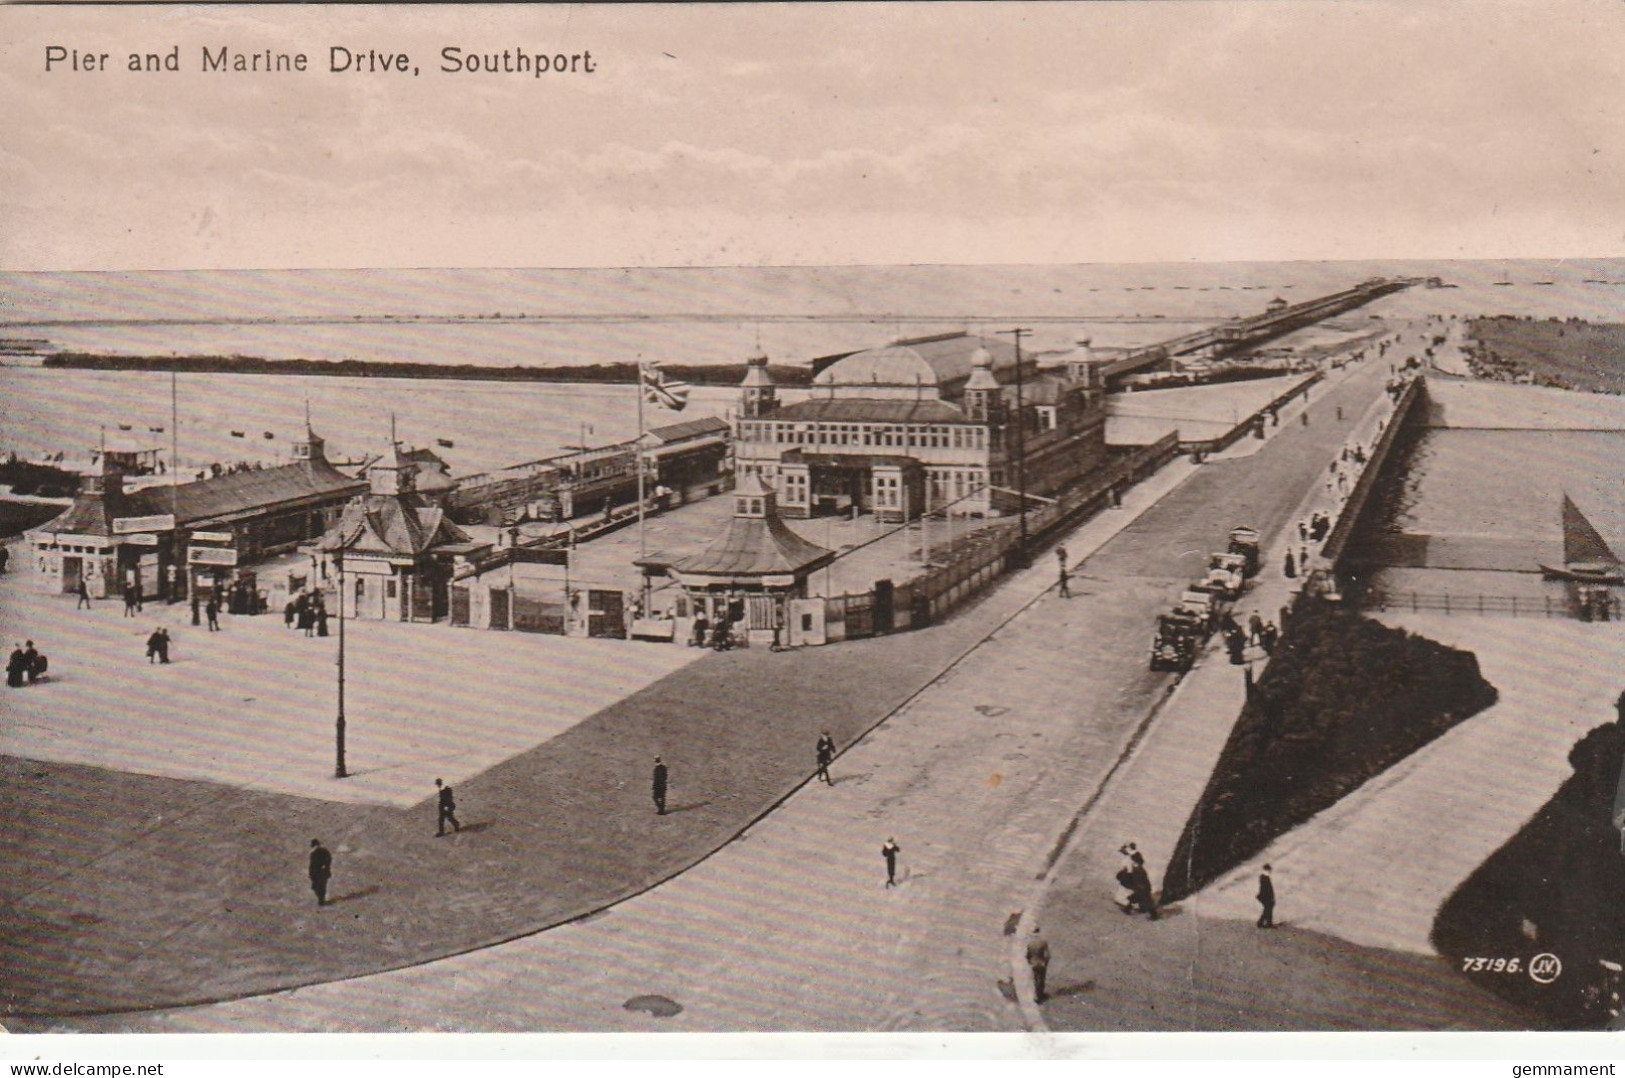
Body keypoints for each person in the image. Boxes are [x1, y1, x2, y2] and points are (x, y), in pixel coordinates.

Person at [1026, 925, 1051, 1004]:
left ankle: (1037, 995)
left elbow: (1027, 955)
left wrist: (1030, 962)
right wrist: (1046, 963)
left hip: (1034, 963)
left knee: (1036, 979)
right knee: (1041, 980)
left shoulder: (1030, 943)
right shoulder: (1043, 942)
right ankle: (1040, 996)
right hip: (1041, 963)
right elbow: (1047, 955)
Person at [308, 839, 333, 907]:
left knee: (321, 886)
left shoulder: (323, 851)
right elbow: (312, 865)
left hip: (322, 872)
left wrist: (325, 867)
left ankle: (321, 900)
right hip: (315, 873)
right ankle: (321, 899)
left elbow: (328, 860)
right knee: (316, 887)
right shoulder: (313, 853)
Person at [1257, 864, 1276, 928]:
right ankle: (1267, 923)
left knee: (1267, 909)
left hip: (1265, 896)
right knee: (1268, 909)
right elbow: (1266, 889)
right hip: (1265, 896)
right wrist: (1270, 898)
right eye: (1269, 870)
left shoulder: (1265, 877)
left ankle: (1262, 922)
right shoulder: (1264, 878)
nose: (1270, 871)